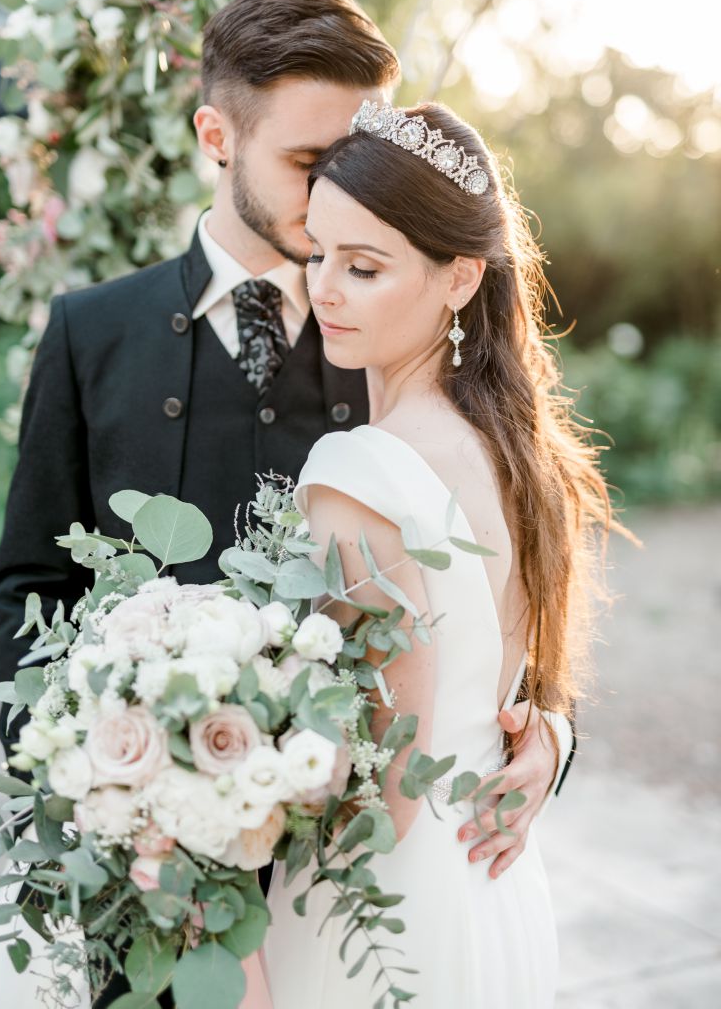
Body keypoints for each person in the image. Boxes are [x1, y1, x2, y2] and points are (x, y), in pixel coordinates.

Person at [0, 0, 569, 1008]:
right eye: (312, 165)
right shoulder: (93, 333)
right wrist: (112, 791)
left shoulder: (396, 344)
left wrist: (550, 735)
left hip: (338, 905)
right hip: (145, 880)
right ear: (218, 134)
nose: (346, 195)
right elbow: (28, 585)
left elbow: (487, 591)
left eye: (359, 157)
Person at [261, 100, 611, 1008]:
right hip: (490, 886)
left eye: (365, 266)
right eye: (320, 253)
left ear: (459, 279)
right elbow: (508, 694)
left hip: (378, 920)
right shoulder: (520, 450)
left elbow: (385, 788)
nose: (325, 288)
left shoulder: (358, 470)